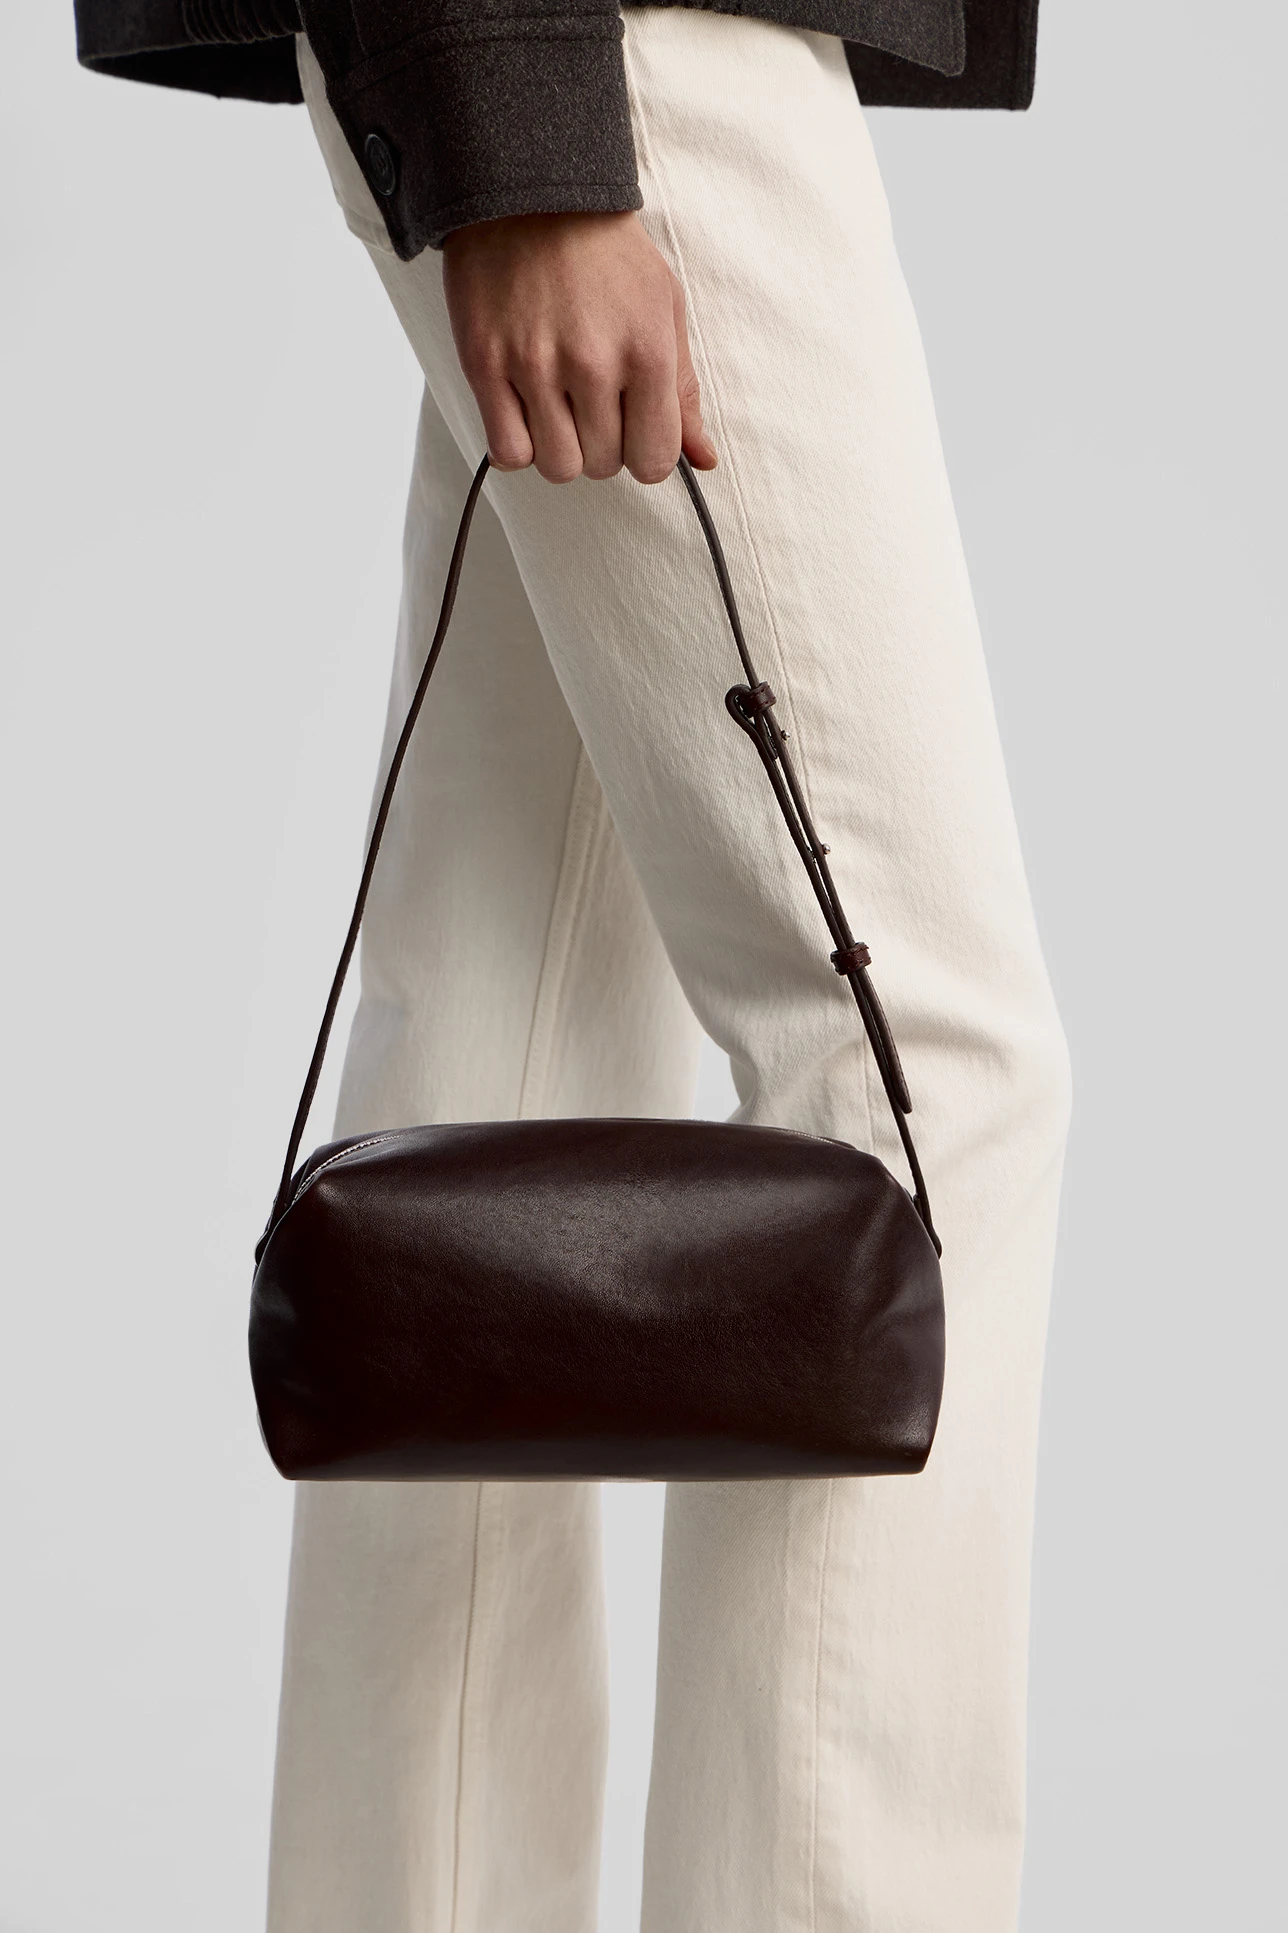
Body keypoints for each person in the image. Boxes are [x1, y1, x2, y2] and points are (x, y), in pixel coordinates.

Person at [75, 0, 1070, 1926]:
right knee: (922, 1067)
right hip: (622, 41)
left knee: (488, 1103)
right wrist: (520, 112)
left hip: (584, 63)